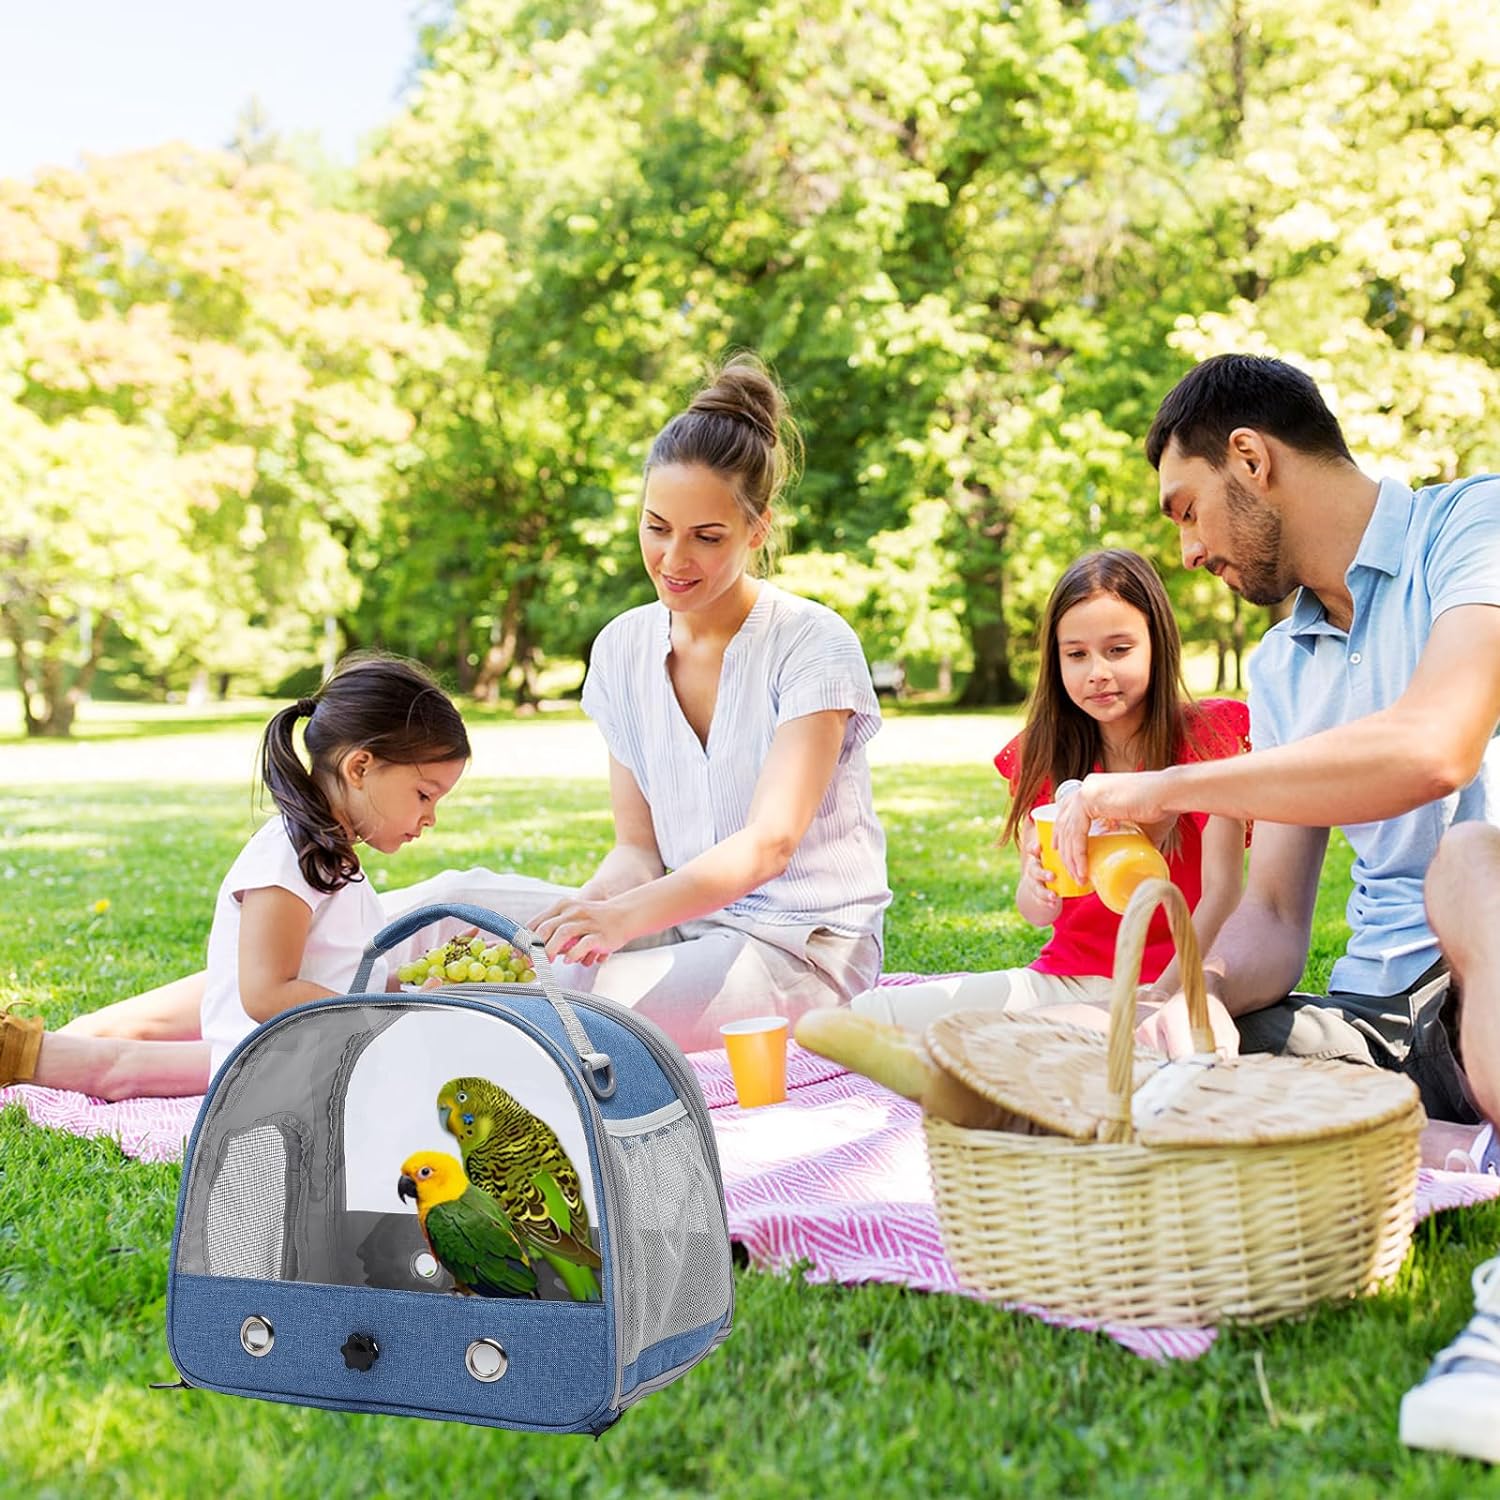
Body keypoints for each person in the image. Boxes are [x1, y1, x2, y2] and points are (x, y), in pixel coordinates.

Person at [1044, 354, 1500, 1462]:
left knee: (1467, 862)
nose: (1189, 549)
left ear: (1252, 458)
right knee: (1202, 1053)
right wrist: (1179, 1003)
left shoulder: (1471, 527)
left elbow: (1435, 751)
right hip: (1396, 1023)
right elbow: (1274, 921)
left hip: (1489, 929)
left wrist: (1166, 787)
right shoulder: (1287, 662)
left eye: (1187, 509)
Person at [367, 352, 891, 1052]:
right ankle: (238, 1005)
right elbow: (637, 853)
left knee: (547, 999)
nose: (674, 559)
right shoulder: (621, 648)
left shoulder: (811, 643)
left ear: (758, 529)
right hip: (678, 920)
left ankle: (275, 1043)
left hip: (799, 950)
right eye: (656, 527)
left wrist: (618, 925)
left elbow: (769, 845)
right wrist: (586, 910)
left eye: (707, 537)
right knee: (445, 910)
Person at [0, 654, 469, 1099]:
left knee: (122, 1069)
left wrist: (412, 990)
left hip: (289, 1053)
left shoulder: (333, 859)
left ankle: (29, 1054)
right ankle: (24, 1052)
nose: (430, 818)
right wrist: (382, 1018)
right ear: (360, 767)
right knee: (119, 1073)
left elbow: (341, 974)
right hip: (270, 1066)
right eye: (425, 795)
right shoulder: (288, 856)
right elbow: (267, 993)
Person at [850, 549, 1248, 1035]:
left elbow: (1225, 893)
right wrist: (1037, 887)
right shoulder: (1045, 755)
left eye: (1118, 650)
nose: (1096, 671)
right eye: (1076, 654)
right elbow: (1037, 912)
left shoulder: (1207, 741)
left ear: (1157, 645)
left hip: (1176, 985)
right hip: (1065, 980)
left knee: (1023, 1041)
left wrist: (1164, 993)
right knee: (868, 1015)